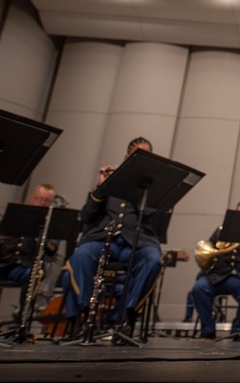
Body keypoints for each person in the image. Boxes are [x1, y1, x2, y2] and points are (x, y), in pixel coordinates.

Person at [62, 137, 162, 337]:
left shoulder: (153, 187)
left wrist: (143, 188)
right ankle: (84, 313)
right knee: (80, 256)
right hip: (104, 239)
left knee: (153, 260)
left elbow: (154, 218)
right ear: (127, 157)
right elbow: (87, 216)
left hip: (137, 241)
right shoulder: (111, 181)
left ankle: (123, 316)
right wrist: (101, 187)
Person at [191, 200, 240, 340]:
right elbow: (210, 248)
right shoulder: (222, 230)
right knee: (199, 288)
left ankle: (236, 328)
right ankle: (208, 329)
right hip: (218, 275)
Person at [0, 184, 57, 315]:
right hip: (5, 262)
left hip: (26, 266)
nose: (42, 203)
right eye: (40, 199)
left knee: (34, 275)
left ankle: (22, 317)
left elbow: (52, 250)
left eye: (46, 201)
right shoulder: (16, 216)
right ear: (33, 198)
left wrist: (41, 236)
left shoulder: (52, 224)